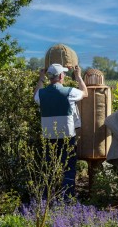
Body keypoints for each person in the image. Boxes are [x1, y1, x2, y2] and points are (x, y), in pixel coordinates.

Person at [33, 63, 88, 200]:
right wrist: (79, 77)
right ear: (61, 76)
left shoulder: (42, 94)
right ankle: (67, 198)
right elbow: (85, 93)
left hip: (48, 136)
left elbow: (35, 96)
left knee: (48, 168)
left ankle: (46, 198)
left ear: (49, 77)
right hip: (67, 136)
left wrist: (41, 78)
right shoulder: (70, 92)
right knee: (68, 167)